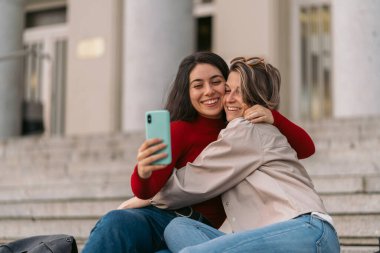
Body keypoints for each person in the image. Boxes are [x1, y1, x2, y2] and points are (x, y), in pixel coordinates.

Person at [81, 52, 316, 253]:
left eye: (217, 83)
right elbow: (149, 188)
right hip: (168, 218)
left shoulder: (242, 127)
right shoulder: (180, 130)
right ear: (187, 91)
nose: (209, 91)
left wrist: (273, 116)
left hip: (201, 230)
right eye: (198, 85)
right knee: (116, 222)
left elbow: (305, 148)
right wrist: (142, 174)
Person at [151, 57, 340, 253]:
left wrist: (148, 195)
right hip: (275, 236)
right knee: (177, 228)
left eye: (240, 92)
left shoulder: (247, 128)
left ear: (256, 98)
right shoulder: (245, 130)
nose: (229, 99)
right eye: (227, 90)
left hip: (306, 231)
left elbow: (189, 183)